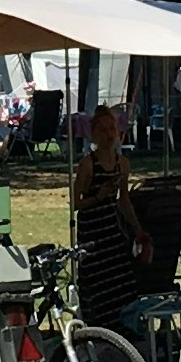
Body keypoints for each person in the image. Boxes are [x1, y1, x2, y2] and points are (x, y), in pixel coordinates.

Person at [68, 104, 149, 327]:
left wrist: (137, 228)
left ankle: (122, 326)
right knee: (96, 281)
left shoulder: (122, 164)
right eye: (103, 130)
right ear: (94, 134)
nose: (108, 135)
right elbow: (75, 204)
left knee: (121, 278)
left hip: (112, 229)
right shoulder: (88, 165)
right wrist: (99, 197)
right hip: (92, 232)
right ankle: (97, 327)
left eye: (111, 129)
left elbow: (124, 199)